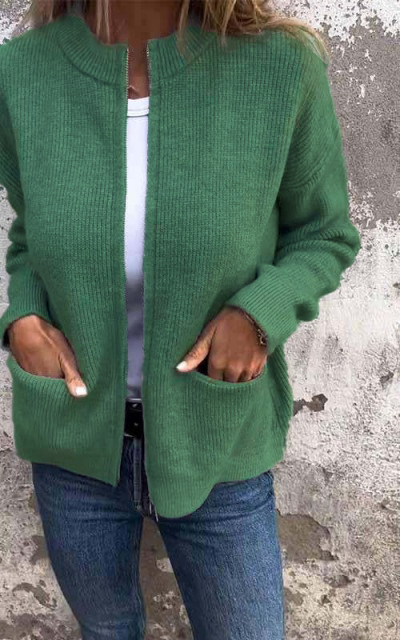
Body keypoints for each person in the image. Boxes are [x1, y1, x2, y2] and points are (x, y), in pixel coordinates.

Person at [0, 1, 361, 638]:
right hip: (71, 443)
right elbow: (30, 238)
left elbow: (323, 235)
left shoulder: (280, 68)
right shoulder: (23, 72)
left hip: (217, 438)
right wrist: (22, 320)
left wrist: (259, 314)